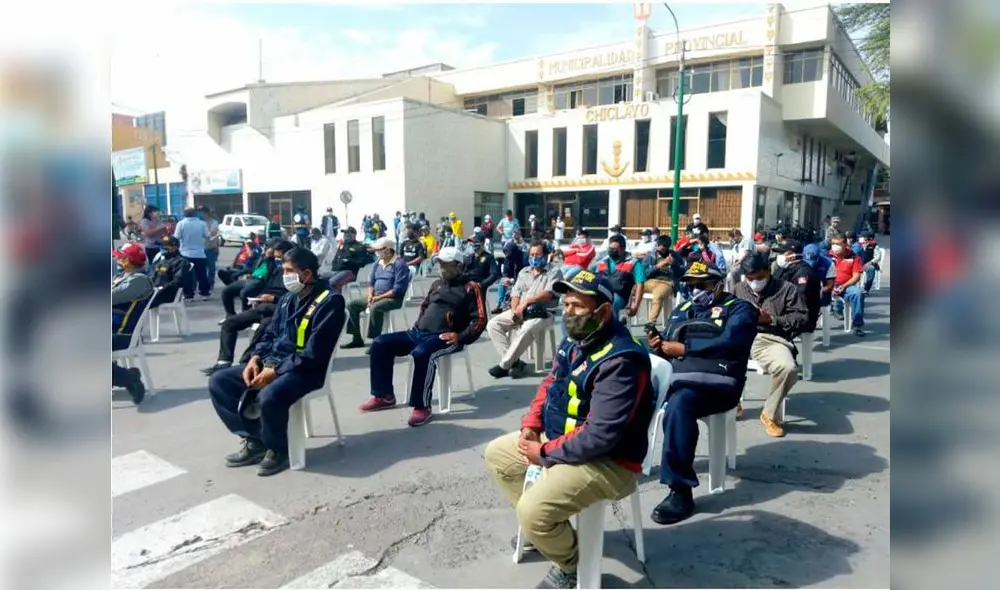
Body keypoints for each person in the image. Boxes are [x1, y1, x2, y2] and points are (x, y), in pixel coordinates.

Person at [483, 270, 654, 590]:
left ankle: (573, 564)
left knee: (532, 512)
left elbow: (601, 434)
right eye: (565, 304)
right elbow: (551, 383)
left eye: (577, 305)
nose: (567, 312)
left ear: (603, 312)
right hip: (563, 438)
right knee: (498, 456)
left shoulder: (621, 360)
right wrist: (531, 425)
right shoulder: (578, 338)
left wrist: (544, 453)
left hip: (609, 460)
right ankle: (550, 534)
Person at [207, 247, 346, 477]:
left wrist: (275, 370)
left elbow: (314, 353)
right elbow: (269, 334)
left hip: (307, 370)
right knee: (220, 381)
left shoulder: (330, 302)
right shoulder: (288, 299)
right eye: (283, 270)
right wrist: (256, 358)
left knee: (269, 394)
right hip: (274, 363)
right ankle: (255, 440)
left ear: (307, 274)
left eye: (289, 271)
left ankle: (277, 449)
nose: (285, 276)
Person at [647, 261, 757, 525]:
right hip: (679, 379)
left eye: (702, 285)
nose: (696, 291)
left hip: (719, 383)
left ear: (719, 284)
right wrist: (658, 344)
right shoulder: (683, 309)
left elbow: (731, 342)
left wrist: (685, 349)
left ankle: (680, 490)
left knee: (679, 405)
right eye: (691, 286)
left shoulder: (740, 309)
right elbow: (668, 341)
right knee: (629, 392)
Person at [359, 247, 487, 427]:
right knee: (381, 343)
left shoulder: (471, 288)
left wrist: (460, 336)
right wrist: (418, 325)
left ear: (458, 265)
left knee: (421, 353)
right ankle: (384, 395)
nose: (441, 267)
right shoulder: (437, 284)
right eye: (439, 263)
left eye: (445, 264)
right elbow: (425, 307)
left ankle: (422, 406)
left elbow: (480, 320)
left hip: (445, 337)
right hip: (419, 332)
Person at [734, 252, 809, 437]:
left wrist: (772, 319)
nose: (754, 283)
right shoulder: (739, 289)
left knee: (788, 368)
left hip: (770, 339)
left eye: (759, 278)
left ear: (769, 271)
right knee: (711, 356)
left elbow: (801, 317)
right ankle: (732, 400)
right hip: (740, 336)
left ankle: (769, 413)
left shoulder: (786, 289)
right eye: (750, 279)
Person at [202, 240, 295, 375]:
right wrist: (267, 258)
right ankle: (223, 362)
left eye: (280, 258)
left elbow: (296, 298)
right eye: (276, 258)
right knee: (229, 323)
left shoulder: (294, 273)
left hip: (279, 311)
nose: (278, 261)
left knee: (263, 329)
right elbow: (262, 274)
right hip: (262, 306)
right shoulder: (275, 268)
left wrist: (274, 298)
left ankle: (244, 365)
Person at [486, 242, 562, 379]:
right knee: (493, 325)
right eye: (532, 255)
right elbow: (516, 293)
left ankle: (504, 365)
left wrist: (526, 302)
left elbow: (549, 293)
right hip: (521, 310)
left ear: (545, 255)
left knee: (526, 328)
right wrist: (515, 310)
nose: (534, 257)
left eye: (537, 255)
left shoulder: (554, 271)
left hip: (543, 313)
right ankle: (515, 363)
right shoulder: (524, 271)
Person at [343, 237, 410, 350]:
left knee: (375, 308)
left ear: (388, 250)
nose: (377, 253)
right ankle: (357, 338)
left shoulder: (399, 264)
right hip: (376, 295)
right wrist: (370, 295)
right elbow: (372, 282)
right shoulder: (377, 263)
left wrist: (378, 298)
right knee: (351, 305)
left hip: (393, 298)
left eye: (379, 250)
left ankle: (376, 341)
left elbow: (397, 290)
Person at [112, 243, 155, 404]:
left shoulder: (138, 280)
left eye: (122, 257)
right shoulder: (124, 275)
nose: (118, 259)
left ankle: (128, 378)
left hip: (123, 333)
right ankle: (118, 375)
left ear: (129, 261)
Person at [220, 239, 279, 320]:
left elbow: (273, 273)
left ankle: (245, 316)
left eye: (270, 248)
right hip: (251, 279)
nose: (267, 250)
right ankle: (230, 315)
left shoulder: (276, 261)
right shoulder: (262, 257)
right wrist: (239, 273)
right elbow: (253, 268)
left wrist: (270, 258)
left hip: (261, 281)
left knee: (244, 293)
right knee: (226, 291)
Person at [773, 239, 822, 334]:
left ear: (793, 255)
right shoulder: (783, 269)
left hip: (800, 317)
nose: (779, 256)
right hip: (783, 311)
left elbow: (800, 299)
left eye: (783, 253)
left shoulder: (804, 272)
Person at [593, 234, 646, 318]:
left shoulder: (634, 263)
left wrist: (636, 305)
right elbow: (594, 279)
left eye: (615, 249)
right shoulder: (602, 262)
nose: (611, 251)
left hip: (620, 296)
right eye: (610, 248)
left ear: (623, 249)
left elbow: (640, 285)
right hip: (603, 293)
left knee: (611, 303)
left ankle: (613, 328)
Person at [830, 234, 867, 336]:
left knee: (858, 293)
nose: (834, 246)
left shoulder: (853, 257)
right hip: (828, 285)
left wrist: (844, 286)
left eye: (837, 244)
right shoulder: (827, 256)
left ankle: (857, 325)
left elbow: (856, 276)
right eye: (833, 243)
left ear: (845, 244)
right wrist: (830, 287)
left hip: (846, 286)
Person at [643, 236, 685, 324]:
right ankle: (628, 312)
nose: (658, 248)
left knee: (657, 295)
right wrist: (658, 266)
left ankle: (651, 323)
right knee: (634, 287)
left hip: (667, 283)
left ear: (667, 247)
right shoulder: (650, 256)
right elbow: (645, 273)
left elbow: (682, 273)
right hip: (651, 281)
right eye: (657, 245)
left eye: (662, 247)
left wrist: (674, 264)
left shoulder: (675, 256)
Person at [174, 207, 212, 301]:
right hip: (199, 253)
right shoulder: (202, 223)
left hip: (185, 254)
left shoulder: (181, 223)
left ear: (184, 214)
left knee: (187, 275)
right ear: (195, 214)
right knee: (202, 274)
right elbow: (207, 235)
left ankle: (189, 295)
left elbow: (176, 237)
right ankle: (204, 293)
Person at [322, 227, 373, 292]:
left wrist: (349, 261)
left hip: (350, 272)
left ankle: (335, 299)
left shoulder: (359, 246)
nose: (345, 235)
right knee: (321, 278)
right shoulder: (343, 245)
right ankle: (320, 299)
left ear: (354, 235)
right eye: (345, 233)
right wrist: (334, 265)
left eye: (347, 233)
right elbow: (336, 258)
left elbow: (363, 262)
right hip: (336, 271)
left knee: (332, 283)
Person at [149, 236, 190, 308]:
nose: (163, 248)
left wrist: (160, 289)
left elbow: (178, 282)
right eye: (162, 245)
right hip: (155, 292)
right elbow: (153, 277)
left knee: (139, 304)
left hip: (167, 295)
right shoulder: (162, 261)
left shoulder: (181, 262)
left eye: (166, 246)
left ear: (175, 247)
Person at [495, 230, 526, 314]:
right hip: (513, 277)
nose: (508, 257)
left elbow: (523, 274)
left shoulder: (523, 258)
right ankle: (500, 303)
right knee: (502, 282)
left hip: (523, 280)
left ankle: (511, 303)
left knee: (516, 288)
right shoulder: (509, 257)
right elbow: (506, 270)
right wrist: (506, 278)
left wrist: (512, 281)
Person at [201, 206, 221, 292]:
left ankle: (210, 283)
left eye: (201, 212)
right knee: (202, 269)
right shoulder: (198, 222)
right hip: (200, 249)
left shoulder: (214, 222)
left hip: (210, 248)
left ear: (206, 213)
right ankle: (204, 285)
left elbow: (213, 233)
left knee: (211, 268)